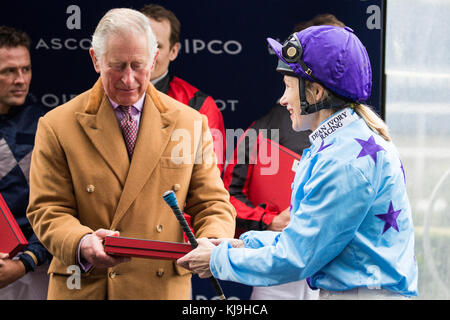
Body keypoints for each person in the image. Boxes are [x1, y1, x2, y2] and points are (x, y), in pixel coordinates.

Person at [178, 25, 419, 299]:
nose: (283, 99)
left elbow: (296, 257)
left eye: (288, 86)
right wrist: (240, 245)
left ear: (315, 92)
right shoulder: (344, 142)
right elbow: (300, 236)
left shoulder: (343, 158)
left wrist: (217, 260)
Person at [26, 8, 236, 300]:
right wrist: (82, 242)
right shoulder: (57, 125)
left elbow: (212, 201)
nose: (128, 79)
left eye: (138, 65)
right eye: (117, 65)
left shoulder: (189, 121)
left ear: (154, 59)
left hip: (160, 288)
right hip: (87, 286)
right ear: (95, 60)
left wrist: (213, 242)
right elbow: (48, 209)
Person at [222, 14, 344, 300]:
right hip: (277, 275)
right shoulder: (261, 131)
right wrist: (270, 220)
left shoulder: (358, 135)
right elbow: (227, 196)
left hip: (337, 274)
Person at [140, 4, 226, 174]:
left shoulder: (200, 106)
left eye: (157, 46)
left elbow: (209, 181)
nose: (147, 54)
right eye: (142, 43)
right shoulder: (105, 97)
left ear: (173, 51)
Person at [0, 26, 51, 299]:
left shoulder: (47, 128)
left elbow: (61, 208)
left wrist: (26, 261)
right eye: (8, 71)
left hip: (29, 273)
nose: (20, 79)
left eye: (25, 69)